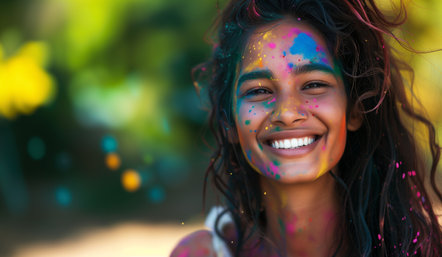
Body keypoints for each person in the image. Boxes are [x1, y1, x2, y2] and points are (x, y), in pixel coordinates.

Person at [171, 0, 442, 256]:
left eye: (314, 85)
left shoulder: (423, 249)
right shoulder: (202, 253)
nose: (287, 113)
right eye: (259, 90)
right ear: (228, 118)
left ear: (355, 109)